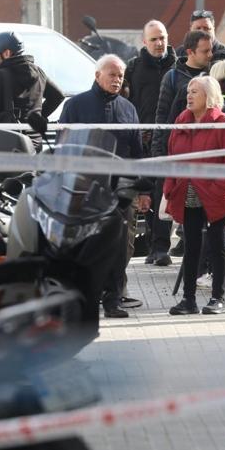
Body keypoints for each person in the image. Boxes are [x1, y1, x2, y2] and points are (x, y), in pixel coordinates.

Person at [59, 54, 153, 318]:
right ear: (97, 75)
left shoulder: (128, 108)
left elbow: (137, 151)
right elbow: (63, 146)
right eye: (112, 74)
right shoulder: (76, 105)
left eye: (121, 75)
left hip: (121, 189)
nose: (118, 79)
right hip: (86, 187)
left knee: (119, 246)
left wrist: (143, 190)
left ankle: (113, 299)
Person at [164, 76, 225, 317]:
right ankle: (188, 299)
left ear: (208, 97)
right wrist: (171, 187)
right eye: (188, 91)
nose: (189, 95)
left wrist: (218, 191)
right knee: (191, 247)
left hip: (217, 195)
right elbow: (171, 158)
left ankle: (217, 297)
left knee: (217, 246)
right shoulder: (181, 121)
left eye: (195, 92)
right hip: (187, 193)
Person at [153, 30, 214, 258]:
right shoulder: (172, 77)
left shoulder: (214, 75)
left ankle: (192, 248)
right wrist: (159, 151)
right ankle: (159, 249)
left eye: (211, 50)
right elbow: (162, 116)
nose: (210, 55)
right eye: (205, 51)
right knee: (166, 194)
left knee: (195, 204)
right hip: (177, 148)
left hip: (205, 151)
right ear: (190, 52)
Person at [124, 20, 177, 265]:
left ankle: (161, 248)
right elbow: (126, 102)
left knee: (164, 191)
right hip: (143, 140)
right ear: (144, 42)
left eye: (162, 38)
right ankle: (145, 247)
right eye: (154, 39)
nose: (159, 43)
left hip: (171, 140)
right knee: (145, 193)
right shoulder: (133, 69)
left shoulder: (178, 67)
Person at [0, 31, 56, 148]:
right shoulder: (38, 71)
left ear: (6, 53)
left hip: (10, 144)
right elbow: (57, 97)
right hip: (35, 143)